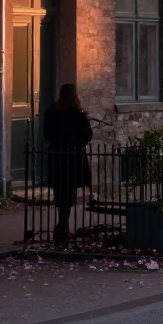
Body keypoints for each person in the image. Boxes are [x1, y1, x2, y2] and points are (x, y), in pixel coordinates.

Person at [43, 83, 93, 243]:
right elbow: (87, 136)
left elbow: (46, 134)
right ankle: (62, 226)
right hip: (72, 159)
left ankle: (62, 226)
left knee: (60, 192)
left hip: (58, 157)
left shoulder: (51, 112)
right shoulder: (77, 114)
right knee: (69, 193)